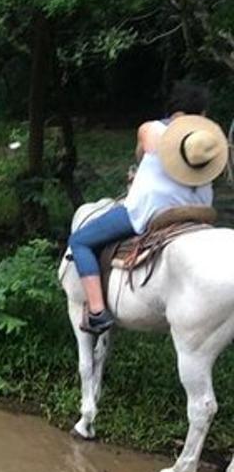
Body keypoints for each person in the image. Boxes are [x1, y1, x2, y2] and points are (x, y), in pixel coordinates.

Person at [68, 83, 225, 334]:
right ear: (203, 113)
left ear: (173, 107)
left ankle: (97, 311)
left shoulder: (151, 128)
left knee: (80, 240)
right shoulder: (207, 143)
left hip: (151, 210)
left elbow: (146, 152)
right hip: (199, 210)